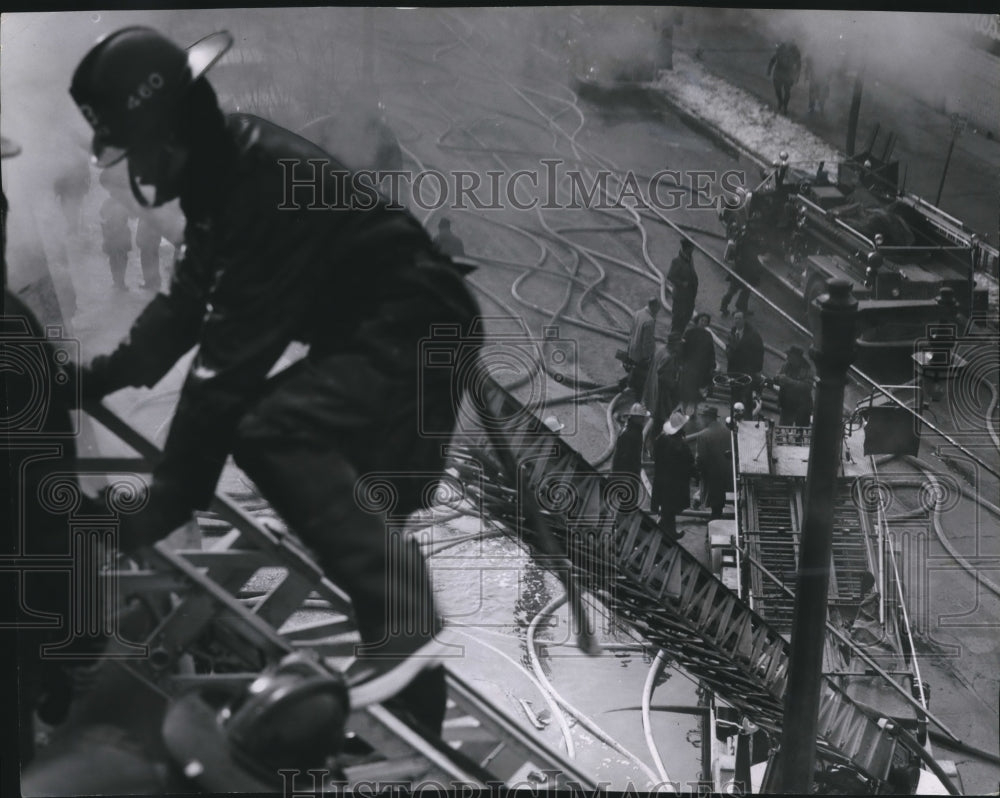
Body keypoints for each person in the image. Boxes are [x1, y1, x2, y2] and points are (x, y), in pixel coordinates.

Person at [68, 26, 480, 717]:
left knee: (271, 428)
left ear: (168, 133)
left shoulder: (256, 187)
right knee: (366, 534)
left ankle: (406, 630)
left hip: (412, 336)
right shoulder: (222, 178)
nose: (137, 170)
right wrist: (94, 379)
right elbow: (183, 311)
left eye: (135, 149)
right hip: (394, 333)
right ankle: (414, 699)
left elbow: (224, 370)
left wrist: (161, 505)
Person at [650, 410, 694, 541]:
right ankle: (668, 534)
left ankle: (668, 530)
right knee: (670, 509)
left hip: (662, 480)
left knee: (666, 508)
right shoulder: (680, 445)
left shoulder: (661, 440)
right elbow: (689, 462)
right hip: (675, 483)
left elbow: (655, 456)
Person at [692, 405, 732, 519]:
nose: (701, 420)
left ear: (708, 418)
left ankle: (714, 522)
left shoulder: (703, 435)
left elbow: (701, 459)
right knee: (719, 503)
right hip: (726, 473)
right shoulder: (728, 432)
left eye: (702, 418)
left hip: (710, 475)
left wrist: (697, 474)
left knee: (713, 503)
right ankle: (716, 517)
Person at [677, 312, 716, 415]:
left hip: (701, 369)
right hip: (689, 367)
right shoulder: (689, 332)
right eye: (702, 320)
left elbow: (711, 352)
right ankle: (684, 410)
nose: (703, 323)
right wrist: (681, 363)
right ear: (697, 321)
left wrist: (712, 365)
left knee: (697, 392)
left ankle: (694, 411)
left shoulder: (708, 336)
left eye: (706, 321)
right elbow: (682, 349)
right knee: (686, 391)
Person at [725, 311, 764, 410]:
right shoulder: (733, 332)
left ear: (744, 320)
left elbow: (759, 352)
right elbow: (729, 347)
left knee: (746, 394)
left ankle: (745, 414)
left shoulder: (753, 335)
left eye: (739, 318)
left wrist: (757, 369)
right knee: (734, 393)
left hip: (747, 370)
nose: (737, 321)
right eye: (735, 318)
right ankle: (734, 413)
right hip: (734, 369)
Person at [720, 232, 763, 317]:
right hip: (746, 270)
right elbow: (756, 253)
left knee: (734, 289)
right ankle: (739, 308)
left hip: (739, 267)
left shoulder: (743, 236)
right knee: (744, 289)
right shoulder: (752, 241)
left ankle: (725, 306)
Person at [625, 297, 660, 397]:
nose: (657, 312)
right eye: (657, 309)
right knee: (641, 376)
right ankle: (637, 394)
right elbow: (647, 342)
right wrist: (647, 357)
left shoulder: (637, 313)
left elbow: (631, 332)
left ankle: (629, 385)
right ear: (653, 306)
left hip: (632, 348)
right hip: (641, 353)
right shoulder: (649, 321)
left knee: (633, 370)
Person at [99, 192, 132, 290]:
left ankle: (117, 282)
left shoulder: (108, 202)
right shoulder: (123, 203)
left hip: (112, 234)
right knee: (120, 259)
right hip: (120, 234)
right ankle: (120, 282)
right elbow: (132, 215)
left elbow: (101, 214)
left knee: (114, 258)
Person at [776, 344, 815, 427]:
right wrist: (778, 379)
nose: (787, 358)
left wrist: (789, 381)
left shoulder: (807, 369)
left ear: (797, 358)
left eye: (790, 356)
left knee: (801, 432)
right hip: (787, 405)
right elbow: (777, 378)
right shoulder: (786, 366)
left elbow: (807, 387)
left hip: (802, 407)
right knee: (783, 430)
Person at [667, 239, 698, 340]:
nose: (693, 249)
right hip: (680, 297)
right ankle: (673, 340)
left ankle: (679, 336)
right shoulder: (677, 261)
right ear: (687, 248)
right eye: (692, 247)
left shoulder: (690, 258)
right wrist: (681, 283)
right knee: (677, 320)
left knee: (687, 317)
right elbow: (670, 276)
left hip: (690, 296)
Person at [611, 402, 648, 481]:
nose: (644, 420)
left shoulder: (635, 430)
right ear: (636, 417)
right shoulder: (629, 434)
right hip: (626, 475)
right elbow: (625, 459)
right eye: (642, 417)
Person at [53, 159, 92, 235]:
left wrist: (86, 187)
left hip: (77, 187)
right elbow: (57, 173)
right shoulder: (60, 158)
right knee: (66, 208)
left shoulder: (80, 158)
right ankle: (73, 227)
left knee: (77, 208)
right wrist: (57, 189)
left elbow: (86, 174)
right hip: (64, 188)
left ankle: (76, 230)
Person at [767, 41, 802, 115]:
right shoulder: (781, 49)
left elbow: (799, 65)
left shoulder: (795, 52)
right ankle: (780, 101)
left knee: (787, 91)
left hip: (788, 73)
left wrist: (797, 75)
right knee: (778, 89)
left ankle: (785, 106)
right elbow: (773, 60)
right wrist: (769, 70)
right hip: (779, 71)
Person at [135, 215, 164, 291]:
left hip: (147, 242)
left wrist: (139, 239)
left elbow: (142, 227)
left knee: (147, 262)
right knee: (154, 261)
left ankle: (150, 282)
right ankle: (156, 281)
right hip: (152, 241)